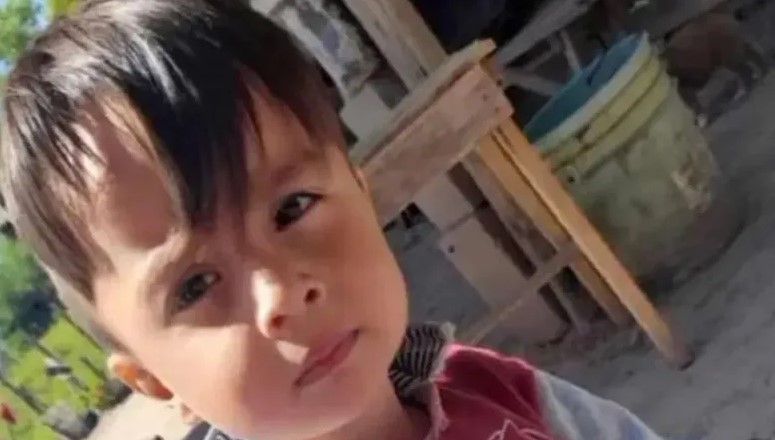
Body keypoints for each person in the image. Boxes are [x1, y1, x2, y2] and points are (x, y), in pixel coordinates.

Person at [0, 1, 665, 439]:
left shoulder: (495, 389)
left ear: (361, 192)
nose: (282, 293)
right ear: (153, 379)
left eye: (291, 208)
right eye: (195, 285)